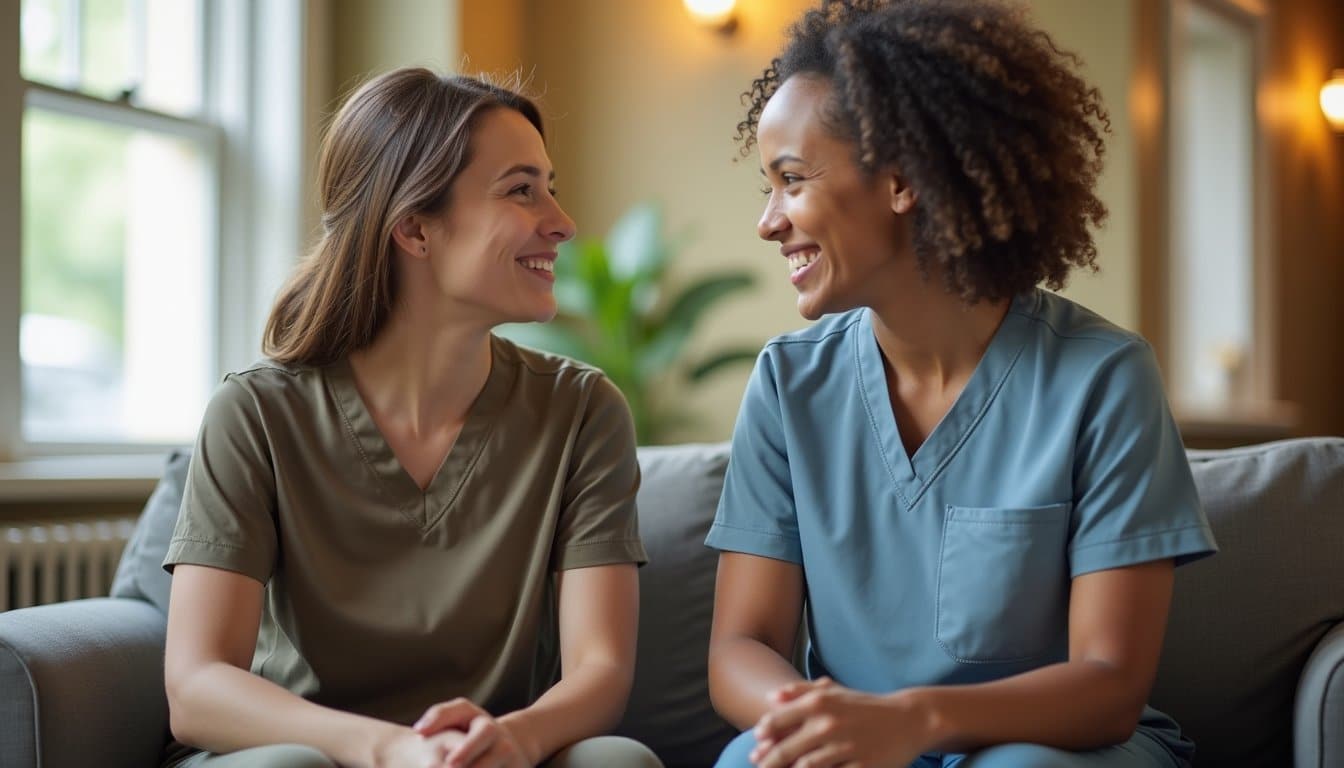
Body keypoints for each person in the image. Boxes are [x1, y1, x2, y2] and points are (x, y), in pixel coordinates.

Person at [704, 1, 1217, 766]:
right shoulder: (788, 384)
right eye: (767, 188)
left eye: (792, 180)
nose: (769, 221)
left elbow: (1109, 685)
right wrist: (823, 722)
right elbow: (740, 646)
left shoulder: (1104, 378)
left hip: (1056, 748)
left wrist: (913, 721)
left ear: (904, 180)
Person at [160, 68, 662, 768]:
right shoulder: (255, 415)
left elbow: (599, 669)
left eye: (550, 186)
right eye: (522, 190)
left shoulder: (582, 410)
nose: (562, 221)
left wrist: (513, 739)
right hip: (313, 755)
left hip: (491, 757)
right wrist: (385, 748)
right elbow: (196, 688)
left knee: (617, 762)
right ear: (415, 230)